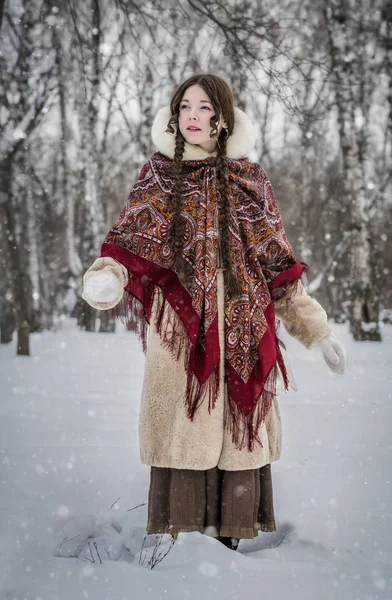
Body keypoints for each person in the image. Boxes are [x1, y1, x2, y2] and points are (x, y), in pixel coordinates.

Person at [82, 73, 346, 551]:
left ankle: (229, 537)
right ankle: (181, 538)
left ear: (222, 118)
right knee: (183, 425)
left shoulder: (250, 179)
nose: (192, 117)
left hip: (242, 328)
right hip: (181, 330)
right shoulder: (161, 175)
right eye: (184, 107)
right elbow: (128, 243)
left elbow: (277, 266)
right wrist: (107, 277)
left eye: (203, 108)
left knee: (235, 432)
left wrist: (316, 331)